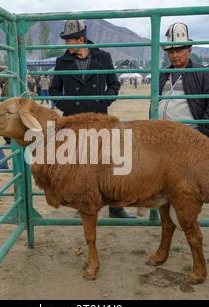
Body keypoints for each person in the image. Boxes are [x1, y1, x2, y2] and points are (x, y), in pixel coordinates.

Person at [49, 19, 134, 219]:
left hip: (100, 120)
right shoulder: (62, 62)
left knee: (109, 165)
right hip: (74, 121)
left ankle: (116, 207)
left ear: (81, 39)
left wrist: (103, 101)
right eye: (66, 40)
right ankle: (83, 207)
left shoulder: (103, 57)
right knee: (79, 166)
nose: (66, 44)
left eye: (70, 40)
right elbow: (54, 89)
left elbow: (114, 83)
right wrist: (67, 106)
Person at [159, 22, 209, 140]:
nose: (174, 55)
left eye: (179, 50)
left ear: (189, 50)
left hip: (191, 139)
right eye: (171, 51)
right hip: (165, 138)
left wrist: (201, 130)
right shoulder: (163, 74)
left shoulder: (202, 73)